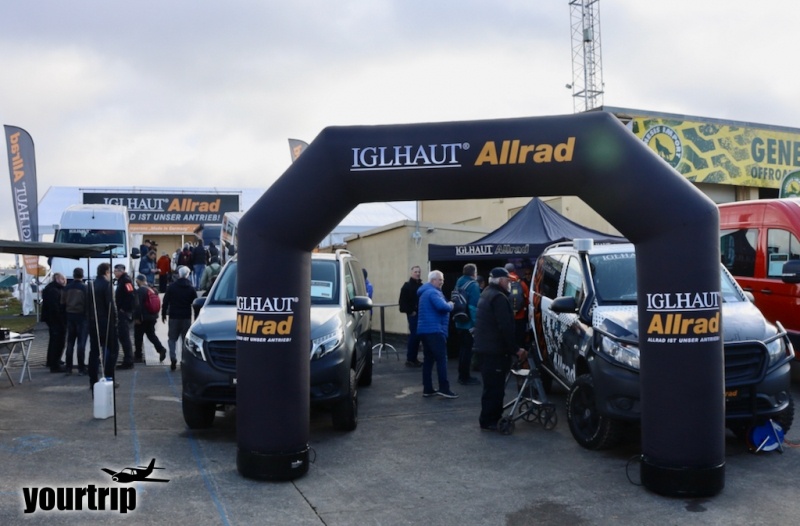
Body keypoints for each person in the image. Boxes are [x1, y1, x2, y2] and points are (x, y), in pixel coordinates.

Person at [472, 267, 528, 431]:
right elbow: (505, 327)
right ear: (501, 281)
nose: (510, 283)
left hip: (486, 348)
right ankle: (490, 420)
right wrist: (515, 349)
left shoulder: (487, 293)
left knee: (491, 387)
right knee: (495, 388)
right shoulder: (498, 298)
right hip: (494, 351)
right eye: (507, 280)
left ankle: (489, 418)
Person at [417, 270, 457, 399]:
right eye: (440, 279)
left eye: (442, 280)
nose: (442, 282)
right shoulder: (433, 292)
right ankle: (444, 388)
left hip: (425, 331)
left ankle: (428, 389)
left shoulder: (425, 292)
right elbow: (442, 307)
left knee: (428, 360)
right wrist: (451, 304)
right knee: (441, 360)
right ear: (433, 280)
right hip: (435, 331)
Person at [87, 262, 119, 387]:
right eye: (110, 272)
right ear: (106, 272)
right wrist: (115, 321)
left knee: (94, 352)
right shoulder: (107, 285)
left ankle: (93, 380)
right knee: (112, 351)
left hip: (93, 322)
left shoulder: (91, 284)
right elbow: (111, 304)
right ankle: (109, 378)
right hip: (106, 323)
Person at [162, 266, 197, 371]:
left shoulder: (172, 287)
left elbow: (165, 301)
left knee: (172, 339)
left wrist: (163, 313)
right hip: (186, 316)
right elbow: (195, 303)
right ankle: (183, 360)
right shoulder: (191, 288)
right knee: (185, 340)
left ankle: (173, 357)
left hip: (174, 316)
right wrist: (196, 317)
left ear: (179, 274)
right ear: (188, 275)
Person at [454, 263, 481, 386]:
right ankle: (465, 377)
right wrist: (477, 323)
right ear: (474, 273)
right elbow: (473, 307)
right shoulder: (473, 285)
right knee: (467, 351)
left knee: (462, 350)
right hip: (469, 323)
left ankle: (462, 375)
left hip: (459, 320)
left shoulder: (459, 282)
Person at [133, 274, 168, 363]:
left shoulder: (140, 291)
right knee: (151, 335)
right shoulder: (153, 289)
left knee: (138, 336)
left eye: (137, 280)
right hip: (152, 316)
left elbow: (138, 305)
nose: (136, 282)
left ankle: (138, 355)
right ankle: (161, 349)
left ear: (139, 281)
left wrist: (136, 317)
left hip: (143, 318)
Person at [62, 267, 88, 375]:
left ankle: (68, 367)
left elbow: (62, 302)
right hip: (82, 317)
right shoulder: (85, 288)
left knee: (70, 342)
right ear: (82, 275)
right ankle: (81, 368)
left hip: (69, 316)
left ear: (73, 275)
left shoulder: (67, 288)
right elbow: (88, 303)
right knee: (81, 343)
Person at [398, 265, 423, 367]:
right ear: (411, 273)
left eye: (419, 272)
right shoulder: (407, 287)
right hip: (414, 315)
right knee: (414, 337)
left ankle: (414, 358)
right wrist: (411, 311)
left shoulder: (421, 285)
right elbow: (402, 304)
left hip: (420, 315)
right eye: (415, 272)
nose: (417, 273)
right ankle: (410, 359)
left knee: (417, 337)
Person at [42, 272, 67, 372]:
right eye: (63, 279)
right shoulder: (54, 290)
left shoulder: (51, 288)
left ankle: (51, 360)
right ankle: (55, 364)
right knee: (58, 341)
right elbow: (55, 307)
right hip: (55, 319)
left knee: (53, 340)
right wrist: (62, 319)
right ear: (57, 279)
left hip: (51, 318)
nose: (64, 281)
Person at [113, 264, 136, 368]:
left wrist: (124, 308)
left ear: (120, 271)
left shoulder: (126, 281)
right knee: (123, 336)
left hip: (124, 312)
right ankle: (127, 359)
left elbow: (131, 295)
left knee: (124, 336)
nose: (114, 273)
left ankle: (128, 360)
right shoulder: (121, 280)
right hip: (122, 311)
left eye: (115, 271)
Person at [505, 262, 530, 348]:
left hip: (508, 316)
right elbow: (528, 298)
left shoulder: (503, 282)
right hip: (520, 316)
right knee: (520, 336)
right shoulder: (521, 283)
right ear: (515, 270)